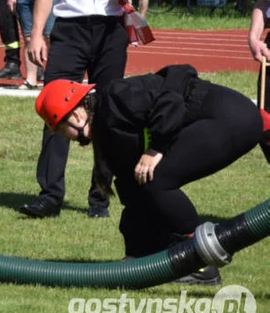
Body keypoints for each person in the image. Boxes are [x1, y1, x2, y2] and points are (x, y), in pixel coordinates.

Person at [35, 66, 269, 284]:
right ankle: (154, 253)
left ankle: (199, 264)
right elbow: (131, 190)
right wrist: (135, 256)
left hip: (233, 118)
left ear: (75, 114)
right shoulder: (106, 129)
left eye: (59, 128)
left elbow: (170, 102)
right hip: (228, 118)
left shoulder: (116, 98)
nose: (64, 137)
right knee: (144, 180)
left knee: (157, 178)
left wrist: (156, 149)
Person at [23, 0, 151, 219]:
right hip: (70, 27)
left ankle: (101, 196)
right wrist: (36, 35)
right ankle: (49, 195)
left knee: (111, 112)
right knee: (56, 109)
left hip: (111, 29)